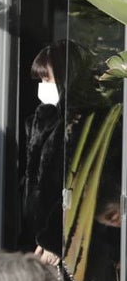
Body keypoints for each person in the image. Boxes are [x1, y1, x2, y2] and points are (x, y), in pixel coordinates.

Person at [19, 41, 92, 268]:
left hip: (69, 243)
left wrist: (55, 239)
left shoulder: (82, 124)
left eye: (47, 79)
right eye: (40, 80)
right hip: (38, 239)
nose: (42, 86)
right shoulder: (41, 121)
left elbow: (81, 187)